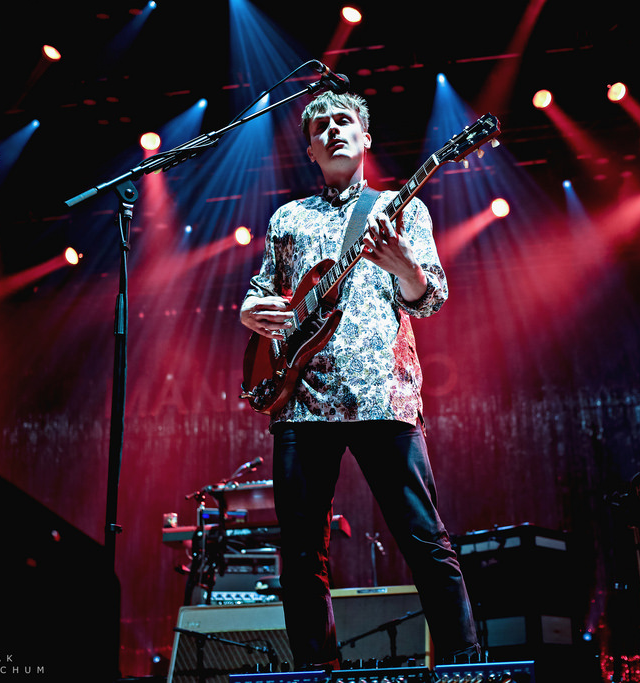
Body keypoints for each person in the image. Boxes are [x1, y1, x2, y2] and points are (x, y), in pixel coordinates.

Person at [239, 91, 478, 670]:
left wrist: (404, 267)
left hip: (382, 396)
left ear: (365, 137)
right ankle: (315, 673)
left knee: (424, 538)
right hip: (301, 402)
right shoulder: (287, 218)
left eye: (343, 121)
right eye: (319, 127)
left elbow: (429, 297)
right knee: (301, 554)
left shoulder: (400, 207)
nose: (332, 131)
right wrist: (249, 311)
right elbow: (263, 291)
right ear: (310, 151)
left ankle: (465, 667)